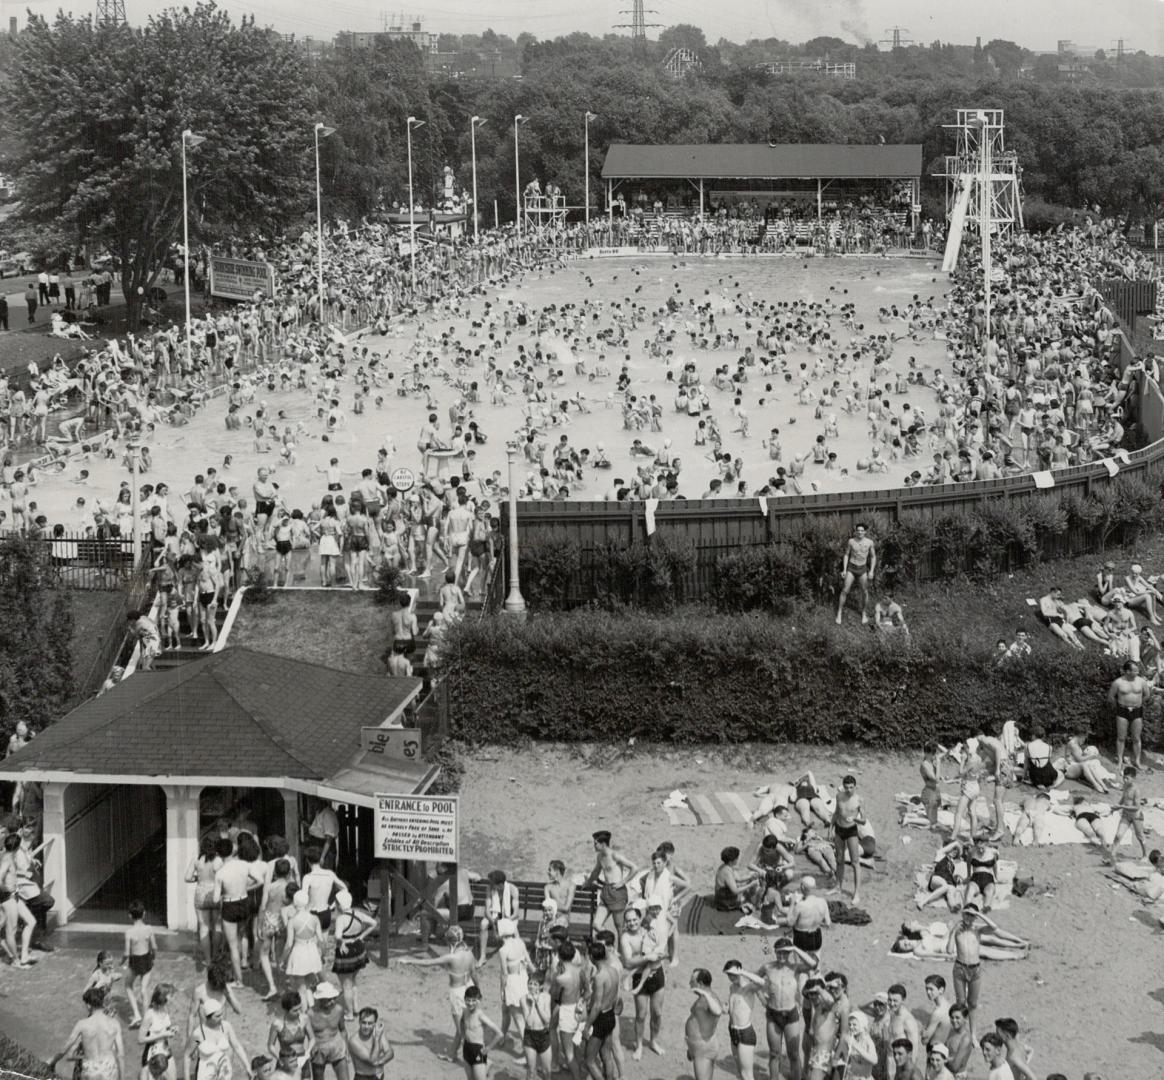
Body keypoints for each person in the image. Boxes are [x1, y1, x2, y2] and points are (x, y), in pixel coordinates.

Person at [397, 925, 480, 1061]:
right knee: (465, 1026)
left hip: (458, 994)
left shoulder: (451, 957)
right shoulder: (469, 954)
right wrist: (478, 989)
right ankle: (451, 1054)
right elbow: (474, 974)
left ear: (450, 942)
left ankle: (480, 1060)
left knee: (462, 1030)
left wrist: (408, 961)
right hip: (469, 988)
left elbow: (428, 962)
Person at [761, 936, 818, 1080]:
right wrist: (762, 999)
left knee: (793, 1055)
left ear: (789, 953)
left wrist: (794, 948)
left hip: (791, 1015)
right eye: (779, 952)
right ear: (775, 952)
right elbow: (753, 981)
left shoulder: (795, 968)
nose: (781, 955)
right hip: (773, 1015)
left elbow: (813, 964)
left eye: (785, 952)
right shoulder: (767, 967)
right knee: (774, 1054)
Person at [54, 987, 125, 1080]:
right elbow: (121, 1055)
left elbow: (64, 1050)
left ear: (88, 1005)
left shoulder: (82, 1024)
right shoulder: (114, 1023)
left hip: (91, 1070)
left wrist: (52, 1062)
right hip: (109, 1070)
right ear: (102, 1002)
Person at [331, 890, 375, 1021]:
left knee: (346, 985)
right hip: (358, 948)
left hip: (346, 952)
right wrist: (362, 936)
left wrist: (340, 943)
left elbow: (338, 936)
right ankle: (355, 1008)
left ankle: (349, 1013)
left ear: (339, 905)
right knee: (353, 980)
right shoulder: (358, 913)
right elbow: (373, 923)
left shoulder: (341, 919)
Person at [587, 829, 637, 943]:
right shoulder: (600, 856)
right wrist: (587, 883)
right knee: (596, 924)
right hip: (606, 891)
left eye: (595, 843)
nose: (593, 845)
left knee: (619, 928)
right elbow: (596, 872)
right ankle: (610, 941)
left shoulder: (615, 855)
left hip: (617, 892)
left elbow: (634, 868)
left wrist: (623, 881)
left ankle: (621, 956)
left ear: (603, 844)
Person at [187, 998, 251, 1080]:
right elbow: (187, 1055)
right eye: (217, 1016)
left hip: (224, 1074)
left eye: (221, 1014)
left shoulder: (226, 1027)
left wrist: (247, 1066)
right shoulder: (199, 1034)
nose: (221, 1018)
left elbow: (237, 1046)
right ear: (208, 1017)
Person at [583, 941, 620, 1080]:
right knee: (606, 1055)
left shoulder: (600, 977)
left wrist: (587, 1026)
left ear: (592, 956)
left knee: (589, 1060)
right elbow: (615, 995)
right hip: (610, 1014)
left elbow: (597, 1005)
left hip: (600, 1018)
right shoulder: (614, 970)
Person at [722, 959, 764, 1080]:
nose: (731, 977)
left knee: (747, 1075)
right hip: (733, 1032)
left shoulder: (749, 987)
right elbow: (734, 1008)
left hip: (745, 1033)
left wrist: (743, 972)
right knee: (740, 1073)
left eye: (734, 974)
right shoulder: (732, 988)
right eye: (729, 974)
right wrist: (726, 1008)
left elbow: (762, 982)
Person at [1108, 660, 1151, 772]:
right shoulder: (1118, 682)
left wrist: (1138, 703)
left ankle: (1137, 761)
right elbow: (1111, 697)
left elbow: (1147, 695)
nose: (1137, 672)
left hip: (1137, 710)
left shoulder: (1141, 682)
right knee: (1121, 737)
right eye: (1135, 670)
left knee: (1136, 738)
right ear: (1127, 671)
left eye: (1137, 670)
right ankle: (1120, 761)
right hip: (1122, 711)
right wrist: (1120, 706)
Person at [124, 899, 158, 1030]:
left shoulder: (129, 932)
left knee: (128, 985)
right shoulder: (149, 929)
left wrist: (122, 961)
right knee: (144, 989)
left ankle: (136, 1014)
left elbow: (127, 953)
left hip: (134, 962)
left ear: (129, 915)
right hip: (146, 960)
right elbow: (154, 947)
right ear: (144, 914)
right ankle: (146, 1019)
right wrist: (153, 957)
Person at [832, 774, 866, 903]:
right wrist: (830, 829)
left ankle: (856, 893)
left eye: (851, 787)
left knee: (855, 862)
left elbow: (863, 821)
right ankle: (838, 886)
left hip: (851, 830)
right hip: (839, 829)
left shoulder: (859, 800)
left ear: (855, 787)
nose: (849, 790)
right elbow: (836, 813)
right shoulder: (839, 796)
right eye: (846, 787)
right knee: (839, 859)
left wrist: (855, 818)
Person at [1105, 765, 1149, 864]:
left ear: (1133, 778)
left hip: (1136, 816)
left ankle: (1145, 855)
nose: (1125, 780)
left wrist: (1121, 807)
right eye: (1124, 777)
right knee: (1118, 835)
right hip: (1126, 815)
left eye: (1127, 778)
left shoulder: (1136, 790)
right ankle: (1112, 855)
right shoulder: (1125, 786)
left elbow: (1137, 807)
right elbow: (1123, 798)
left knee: (1140, 836)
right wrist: (1116, 807)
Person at [684, 968, 723, 1080]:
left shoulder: (709, 998)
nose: (690, 983)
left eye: (692, 981)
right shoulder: (705, 997)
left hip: (703, 1049)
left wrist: (704, 993)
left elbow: (718, 1011)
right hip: (699, 1046)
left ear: (700, 984)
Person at [459, 985, 504, 1080]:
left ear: (478, 1000)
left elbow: (499, 1034)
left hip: (478, 1050)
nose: (470, 1003)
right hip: (466, 1048)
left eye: (473, 1000)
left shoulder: (481, 1016)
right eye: (468, 1000)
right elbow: (462, 1022)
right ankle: (488, 1064)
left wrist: (488, 1048)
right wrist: (463, 1037)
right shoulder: (464, 1011)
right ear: (464, 999)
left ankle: (488, 1065)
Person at [267, 991, 315, 1079]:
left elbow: (312, 1039)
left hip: (302, 1059)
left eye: (300, 1008)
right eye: (295, 1010)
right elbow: (270, 1046)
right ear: (286, 1010)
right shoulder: (277, 1024)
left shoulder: (304, 1019)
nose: (299, 1012)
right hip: (285, 1061)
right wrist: (279, 1058)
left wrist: (308, 1052)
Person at [836, 522, 876, 625]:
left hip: (862, 569)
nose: (860, 532)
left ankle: (864, 613)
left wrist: (871, 571)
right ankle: (839, 612)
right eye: (858, 530)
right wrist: (844, 570)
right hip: (851, 568)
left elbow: (873, 557)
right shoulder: (851, 541)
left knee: (865, 592)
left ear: (865, 532)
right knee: (845, 590)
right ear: (855, 531)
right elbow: (846, 555)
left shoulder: (869, 542)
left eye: (862, 530)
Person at [139, 983, 179, 1080]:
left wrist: (172, 1029)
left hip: (165, 1050)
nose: (172, 997)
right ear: (163, 997)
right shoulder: (149, 1015)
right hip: (152, 1055)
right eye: (170, 995)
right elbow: (140, 1039)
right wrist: (163, 1034)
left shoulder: (165, 1009)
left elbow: (165, 1028)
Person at [519, 967, 553, 1080]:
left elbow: (547, 1020)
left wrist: (538, 1003)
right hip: (530, 1036)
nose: (531, 986)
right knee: (531, 1070)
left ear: (541, 986)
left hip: (543, 1035)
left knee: (547, 1071)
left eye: (535, 984)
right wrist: (532, 1004)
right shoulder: (523, 999)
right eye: (530, 983)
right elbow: (528, 1022)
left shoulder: (546, 997)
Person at [346, 1008, 393, 1080]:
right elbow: (372, 1061)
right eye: (364, 1022)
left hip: (379, 1076)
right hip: (363, 1077)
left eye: (370, 1023)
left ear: (375, 1023)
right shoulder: (354, 1041)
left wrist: (379, 1062)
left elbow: (390, 1052)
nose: (366, 1026)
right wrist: (377, 1038)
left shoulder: (378, 1032)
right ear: (359, 1022)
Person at [714, 846, 761, 913]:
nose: (737, 860)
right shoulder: (727, 872)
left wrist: (751, 877)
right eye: (736, 858)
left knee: (741, 885)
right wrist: (751, 884)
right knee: (749, 906)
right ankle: (735, 906)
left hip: (722, 896)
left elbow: (739, 878)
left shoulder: (726, 866)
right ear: (731, 861)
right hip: (724, 903)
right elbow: (735, 891)